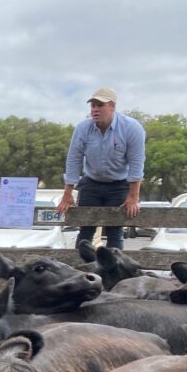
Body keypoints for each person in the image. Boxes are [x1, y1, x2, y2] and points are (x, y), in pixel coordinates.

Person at [57, 87, 146, 251]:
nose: (95, 110)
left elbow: (136, 162)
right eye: (93, 106)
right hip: (91, 182)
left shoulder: (132, 128)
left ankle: (114, 272)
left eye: (100, 105)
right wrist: (67, 193)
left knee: (115, 231)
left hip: (119, 184)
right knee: (85, 229)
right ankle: (81, 270)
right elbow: (74, 159)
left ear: (112, 106)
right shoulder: (83, 128)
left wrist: (133, 197)